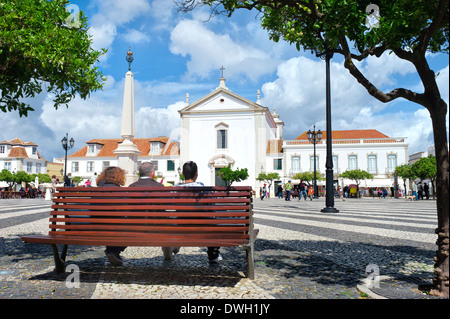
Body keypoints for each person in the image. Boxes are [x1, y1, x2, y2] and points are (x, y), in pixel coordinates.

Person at [175, 161, 222, 263]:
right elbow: (212, 209)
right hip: (202, 228)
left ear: (182, 173)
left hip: (180, 228)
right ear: (197, 173)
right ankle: (213, 255)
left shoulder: (175, 190)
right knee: (213, 224)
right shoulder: (205, 190)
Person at [128, 162, 169, 259]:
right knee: (167, 223)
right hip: (156, 228)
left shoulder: (131, 187)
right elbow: (164, 208)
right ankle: (167, 252)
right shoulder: (159, 187)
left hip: (135, 228)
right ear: (152, 173)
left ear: (139, 173)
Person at [97, 166, 127, 266]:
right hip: (116, 227)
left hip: (96, 227)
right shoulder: (120, 192)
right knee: (128, 228)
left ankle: (112, 252)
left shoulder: (96, 190)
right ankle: (113, 251)